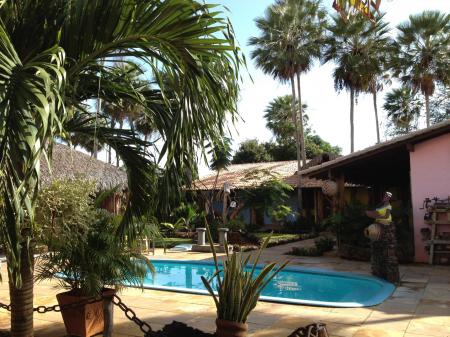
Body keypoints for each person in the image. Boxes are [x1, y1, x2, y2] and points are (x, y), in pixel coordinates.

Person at [365, 191, 400, 283]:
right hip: (378, 227)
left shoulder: (388, 206)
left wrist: (374, 214)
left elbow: (386, 215)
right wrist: (371, 213)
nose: (385, 198)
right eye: (385, 196)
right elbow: (376, 213)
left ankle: (392, 277)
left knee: (389, 255)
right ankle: (378, 274)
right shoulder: (381, 205)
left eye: (387, 197)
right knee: (377, 253)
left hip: (386, 227)